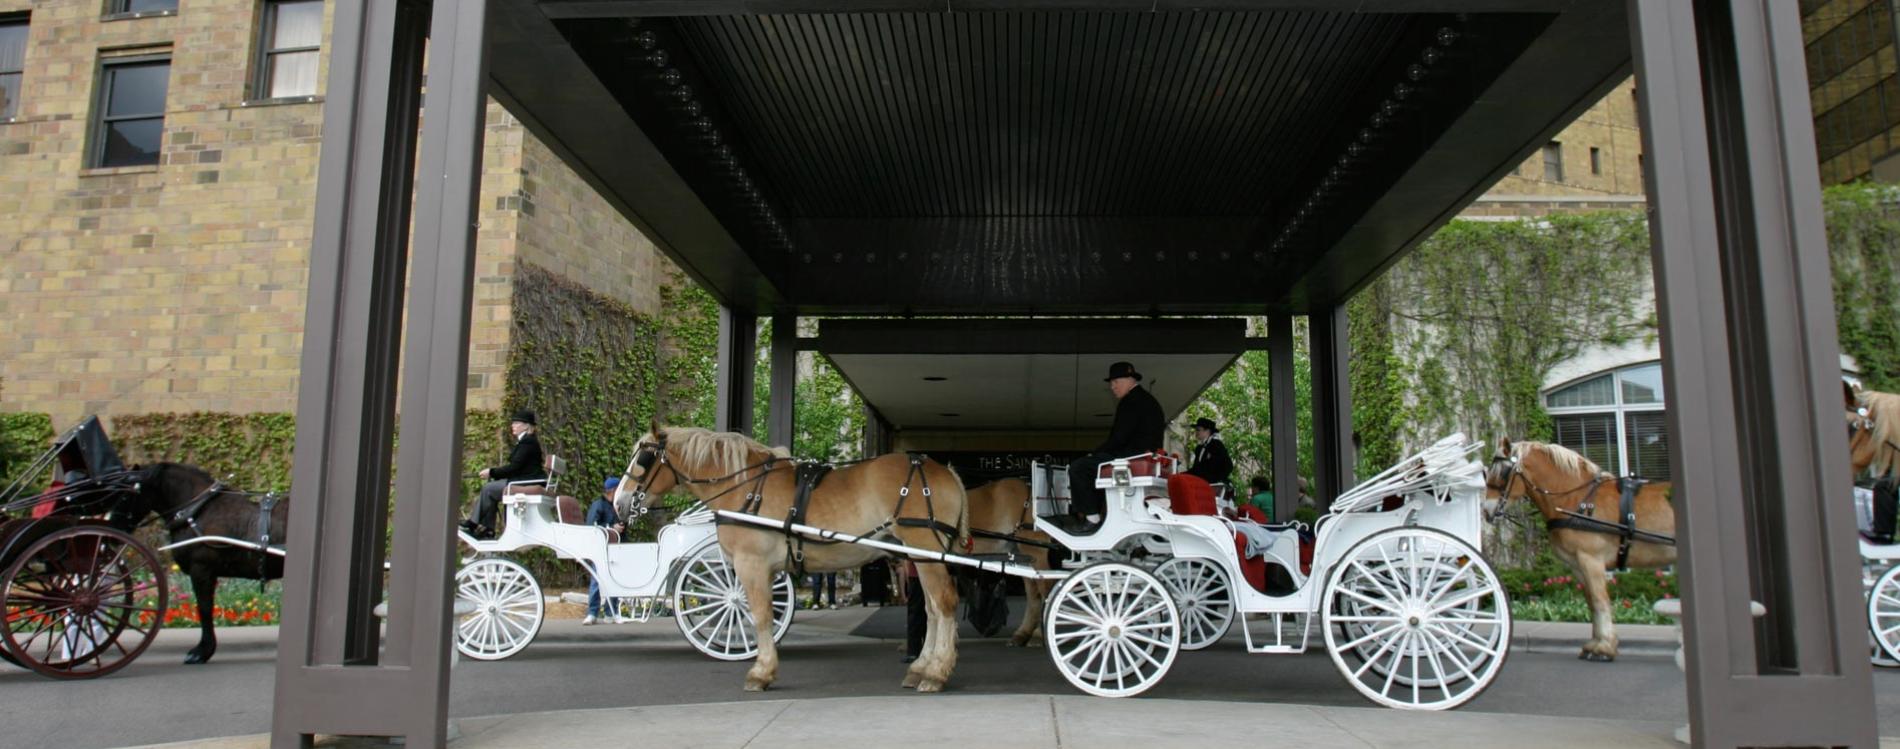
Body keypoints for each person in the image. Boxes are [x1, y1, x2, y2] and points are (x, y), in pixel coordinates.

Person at [1066, 361, 1165, 528]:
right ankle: (1099, 512)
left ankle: (1092, 518)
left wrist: (1094, 453)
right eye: (1111, 383)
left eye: (1116, 382)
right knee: (1095, 467)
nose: (1112, 387)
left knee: (1079, 468)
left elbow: (1119, 438)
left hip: (1131, 457)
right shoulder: (1148, 399)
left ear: (1129, 380)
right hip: (1143, 456)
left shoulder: (1130, 401)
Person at [461, 410, 545, 539]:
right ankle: (488, 529)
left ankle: (473, 524)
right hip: (523, 480)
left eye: (516, 423)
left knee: (489, 489)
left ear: (527, 426)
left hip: (525, 482)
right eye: (513, 423)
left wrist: (491, 472)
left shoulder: (527, 442)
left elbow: (514, 467)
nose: (513, 425)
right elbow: (517, 467)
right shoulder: (528, 442)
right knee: (492, 488)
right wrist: (493, 473)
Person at [583, 477, 627, 625]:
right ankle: (592, 613)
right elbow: (592, 526)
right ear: (614, 491)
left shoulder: (616, 506)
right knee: (596, 580)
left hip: (615, 548)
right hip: (600, 549)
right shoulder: (598, 505)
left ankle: (611, 613)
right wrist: (611, 527)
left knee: (615, 580)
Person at [1182, 417, 1232, 488]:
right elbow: (1196, 469)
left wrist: (1217, 480)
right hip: (1199, 484)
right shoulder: (1199, 448)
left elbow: (1228, 466)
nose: (1196, 432)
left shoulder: (1216, 445)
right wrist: (1182, 475)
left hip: (1213, 485)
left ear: (1207, 431)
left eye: (1198, 430)